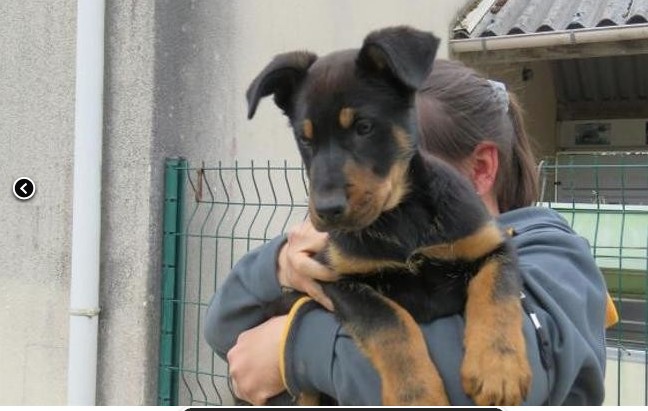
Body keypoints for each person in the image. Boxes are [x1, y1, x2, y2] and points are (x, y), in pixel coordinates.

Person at [204, 59, 609, 405]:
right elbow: (225, 332)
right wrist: (280, 267)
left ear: (481, 169)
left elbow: (486, 385)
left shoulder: (553, 254)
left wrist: (295, 348)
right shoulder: (371, 240)